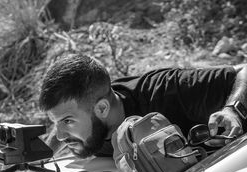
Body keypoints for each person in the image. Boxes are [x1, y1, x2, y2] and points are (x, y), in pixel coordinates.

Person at [38, 54, 247, 158]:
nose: (60, 136)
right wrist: (41, 154)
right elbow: (60, 130)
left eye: (68, 121)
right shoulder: (88, 126)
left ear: (102, 109)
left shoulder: (166, 90)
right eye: (56, 122)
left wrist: (233, 109)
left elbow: (243, 70)